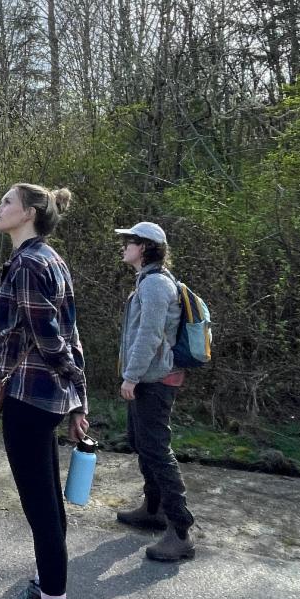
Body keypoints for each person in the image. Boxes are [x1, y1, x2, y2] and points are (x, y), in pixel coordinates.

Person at [0, 184, 88, 599]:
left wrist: (0, 370)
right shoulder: (51, 259)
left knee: (41, 513)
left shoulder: (27, 263)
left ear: (28, 213)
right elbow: (72, 334)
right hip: (49, 399)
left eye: (7, 202)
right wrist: (78, 397)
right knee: (50, 507)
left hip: (30, 397)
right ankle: (47, 593)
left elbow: (49, 339)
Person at [114, 220, 196, 562]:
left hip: (155, 380)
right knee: (140, 441)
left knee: (157, 450)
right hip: (149, 377)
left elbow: (149, 336)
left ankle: (181, 531)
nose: (123, 246)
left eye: (129, 241)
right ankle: (154, 508)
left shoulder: (156, 285)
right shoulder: (149, 281)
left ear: (145, 247)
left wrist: (131, 377)